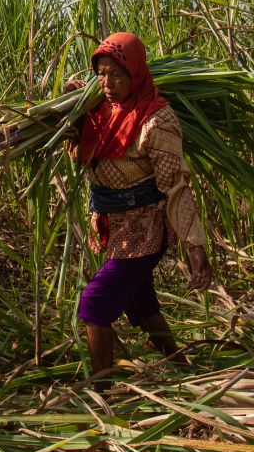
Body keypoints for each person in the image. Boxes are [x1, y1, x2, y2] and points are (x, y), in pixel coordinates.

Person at [64, 32, 212, 385]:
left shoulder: (157, 121)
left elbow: (176, 186)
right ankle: (181, 368)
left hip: (144, 231)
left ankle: (102, 389)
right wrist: (71, 118)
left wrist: (195, 246)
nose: (108, 83)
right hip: (114, 227)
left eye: (117, 74)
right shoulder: (99, 112)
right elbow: (84, 159)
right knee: (141, 304)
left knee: (93, 308)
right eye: (101, 73)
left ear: (136, 73)